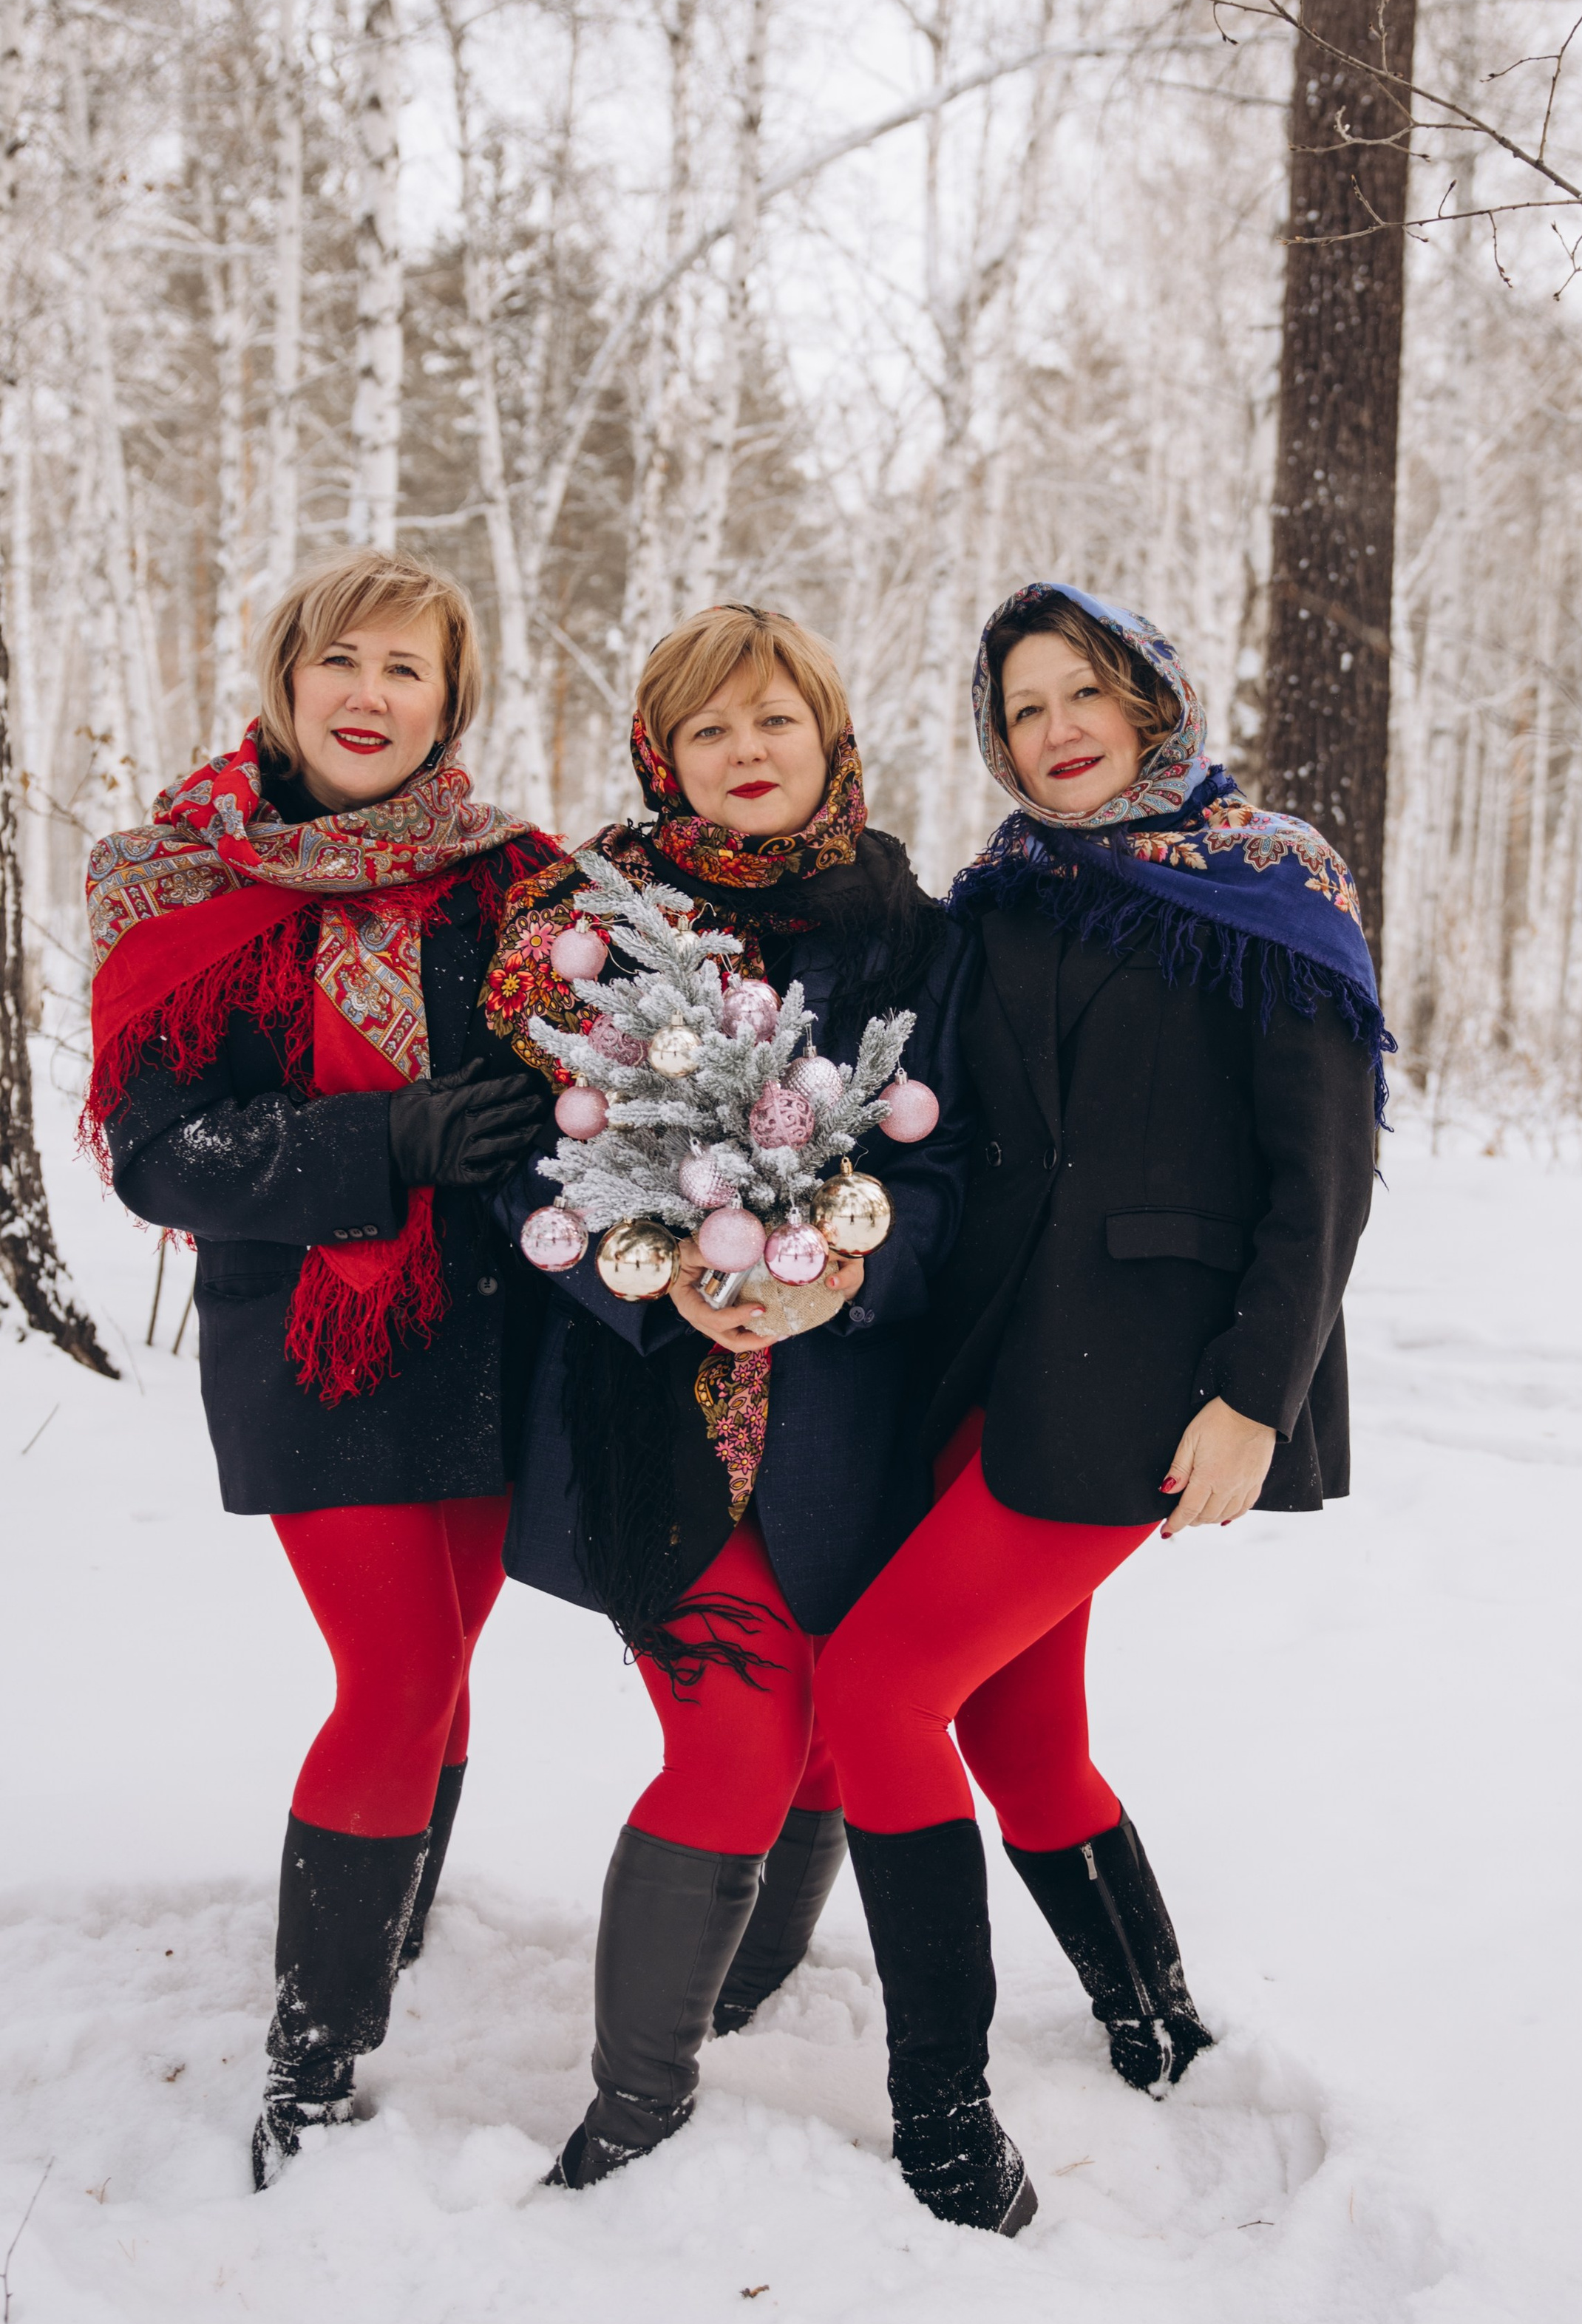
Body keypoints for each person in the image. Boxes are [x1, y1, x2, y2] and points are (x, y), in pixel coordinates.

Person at [812, 584, 1389, 2235]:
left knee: (875, 1696)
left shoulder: (1267, 888)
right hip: (983, 1361)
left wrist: (1250, 1401)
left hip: (1143, 1380)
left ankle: (943, 2116)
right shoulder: (1004, 896)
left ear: (1150, 698)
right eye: (1021, 708)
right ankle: (1156, 2025)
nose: (1054, 731)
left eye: (1084, 694)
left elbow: (1321, 1183)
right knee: (1013, 1728)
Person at [482, 602, 972, 2190]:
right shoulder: (591, 928)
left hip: (855, 1425)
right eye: (709, 730)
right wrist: (642, 1267)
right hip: (652, 1425)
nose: (745, 753)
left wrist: (857, 1266)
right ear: (662, 755)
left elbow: (966, 1165)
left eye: (774, 720)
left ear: (829, 736)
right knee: (737, 1741)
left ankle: (743, 1980)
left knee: (829, 1736)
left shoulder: (913, 928)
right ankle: (635, 2105)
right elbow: (519, 1160)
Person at [84, 551, 557, 2188]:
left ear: (450, 703)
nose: (371, 695)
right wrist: (389, 1138)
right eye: (341, 661)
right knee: (397, 1672)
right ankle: (317, 2053)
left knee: (452, 1647)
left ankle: (387, 1926)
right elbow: (158, 1154)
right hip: (307, 1337)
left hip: (489, 1331)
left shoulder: (510, 880)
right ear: (288, 681)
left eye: (409, 671)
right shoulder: (173, 878)